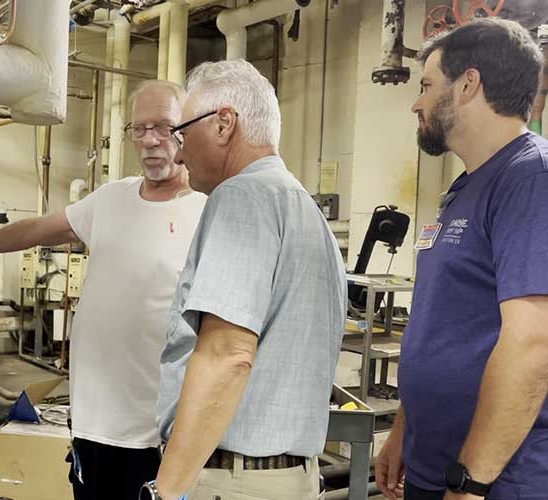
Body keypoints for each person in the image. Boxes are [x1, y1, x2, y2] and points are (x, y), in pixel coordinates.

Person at [0, 80, 206, 500]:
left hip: (157, 432)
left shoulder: (205, 211)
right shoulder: (110, 200)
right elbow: (33, 230)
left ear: (187, 129)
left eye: (165, 127)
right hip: (93, 424)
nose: (151, 140)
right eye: (140, 128)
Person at [140, 59, 346, 500]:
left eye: (183, 133)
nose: (177, 152)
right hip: (291, 479)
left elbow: (227, 355)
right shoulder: (303, 209)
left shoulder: (242, 196)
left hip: (234, 481)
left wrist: (166, 490)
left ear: (223, 124)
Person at [375, 18, 548, 500]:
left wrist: (470, 482)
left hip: (498, 481)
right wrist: (403, 433)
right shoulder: (464, 188)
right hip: (434, 465)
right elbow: (442, 323)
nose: (417, 102)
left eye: (427, 86)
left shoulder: (532, 177)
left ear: (468, 84)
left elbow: (534, 343)